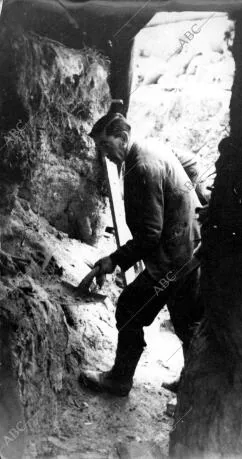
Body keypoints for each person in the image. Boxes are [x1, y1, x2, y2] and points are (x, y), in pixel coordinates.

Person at [79, 112, 203, 396]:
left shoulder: (141, 167)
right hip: (191, 247)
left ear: (122, 138)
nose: (105, 155)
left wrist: (114, 260)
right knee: (186, 320)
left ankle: (119, 379)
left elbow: (149, 234)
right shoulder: (149, 149)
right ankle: (192, 385)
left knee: (129, 307)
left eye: (106, 146)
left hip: (175, 257)